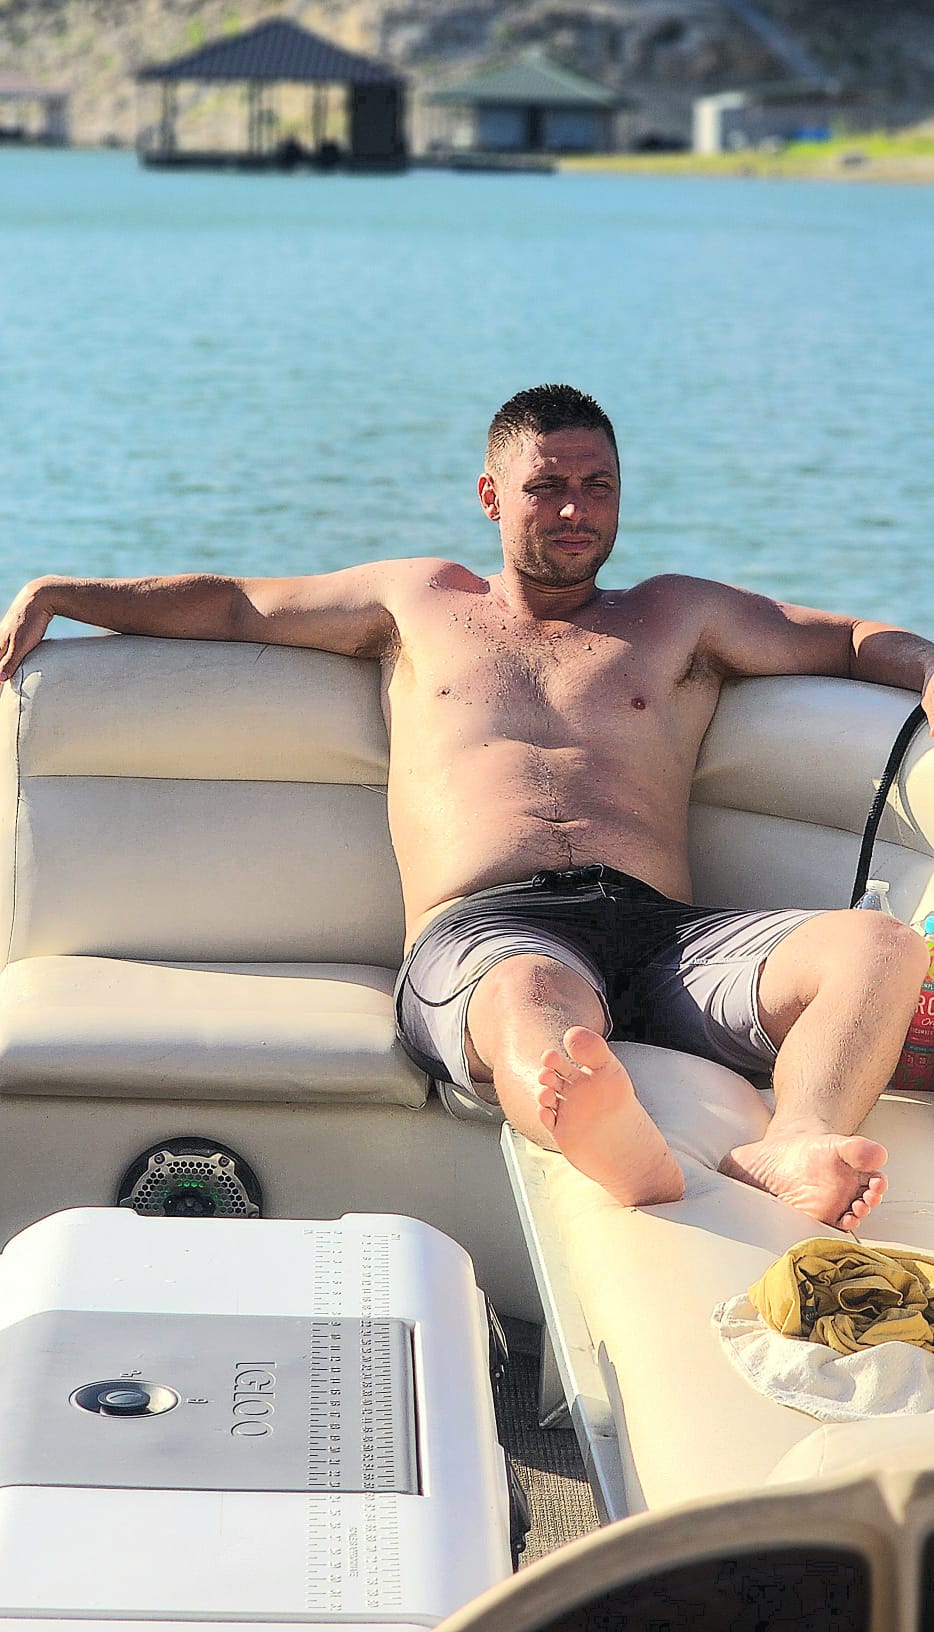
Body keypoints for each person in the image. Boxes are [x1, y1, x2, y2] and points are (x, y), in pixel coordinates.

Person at [1, 383, 931, 1231]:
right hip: (488, 932)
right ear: (492, 495)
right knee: (535, 999)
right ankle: (612, 1140)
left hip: (665, 937)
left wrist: (927, 666)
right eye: (547, 485)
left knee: (877, 945)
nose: (575, 509)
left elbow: (848, 640)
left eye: (598, 485)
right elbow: (242, 604)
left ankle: (794, 1142)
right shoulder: (418, 603)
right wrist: (66, 591)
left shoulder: (679, 614)